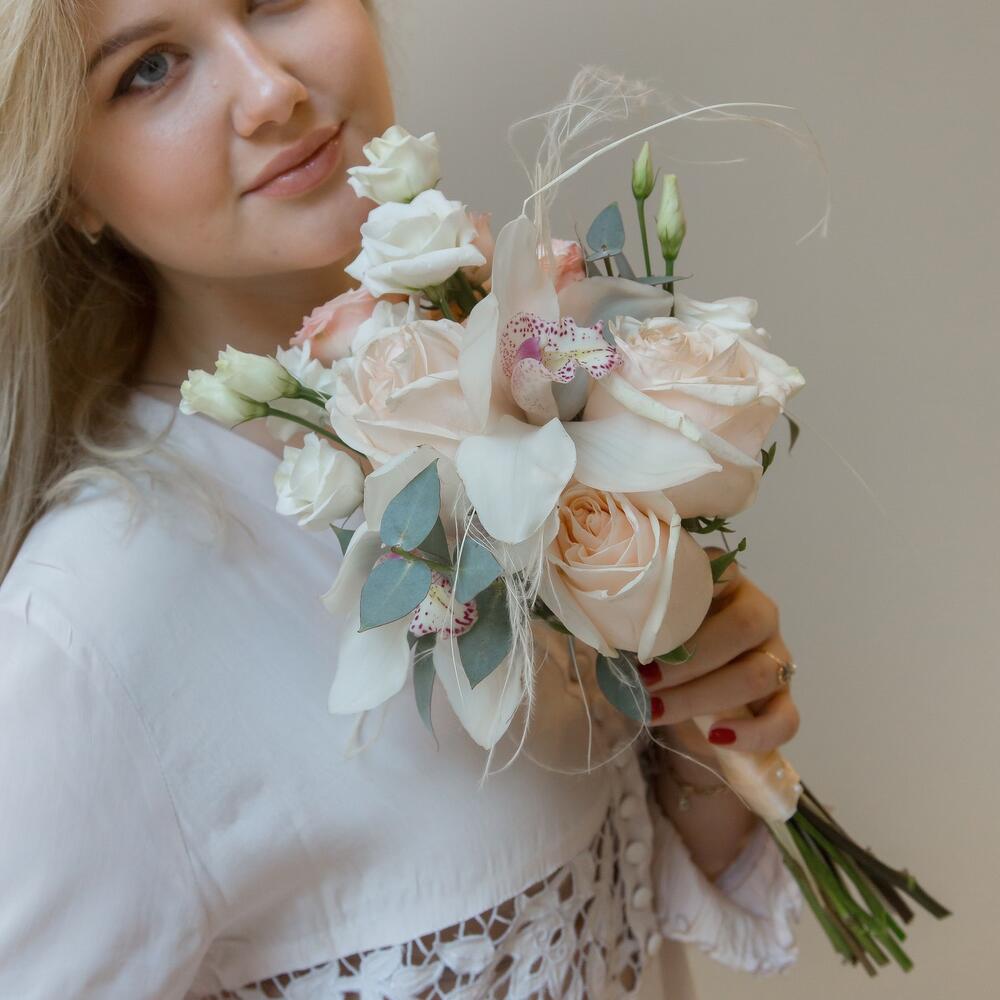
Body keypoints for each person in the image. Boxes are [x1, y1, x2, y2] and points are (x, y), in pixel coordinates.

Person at [0, 1, 806, 996]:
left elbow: (614, 921)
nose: (271, 92)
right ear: (70, 184)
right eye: (151, 69)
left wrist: (699, 736)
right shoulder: (85, 637)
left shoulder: (517, 366)